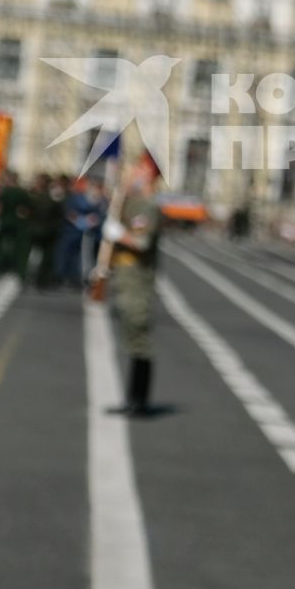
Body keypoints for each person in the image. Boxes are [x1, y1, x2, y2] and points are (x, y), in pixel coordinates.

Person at [99, 151, 163, 416]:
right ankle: (132, 399)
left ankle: (140, 401)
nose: (133, 172)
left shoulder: (149, 206)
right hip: (125, 279)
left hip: (137, 281)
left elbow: (141, 243)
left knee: (139, 340)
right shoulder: (132, 201)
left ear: (149, 174)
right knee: (129, 338)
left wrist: (119, 234)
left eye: (139, 168)